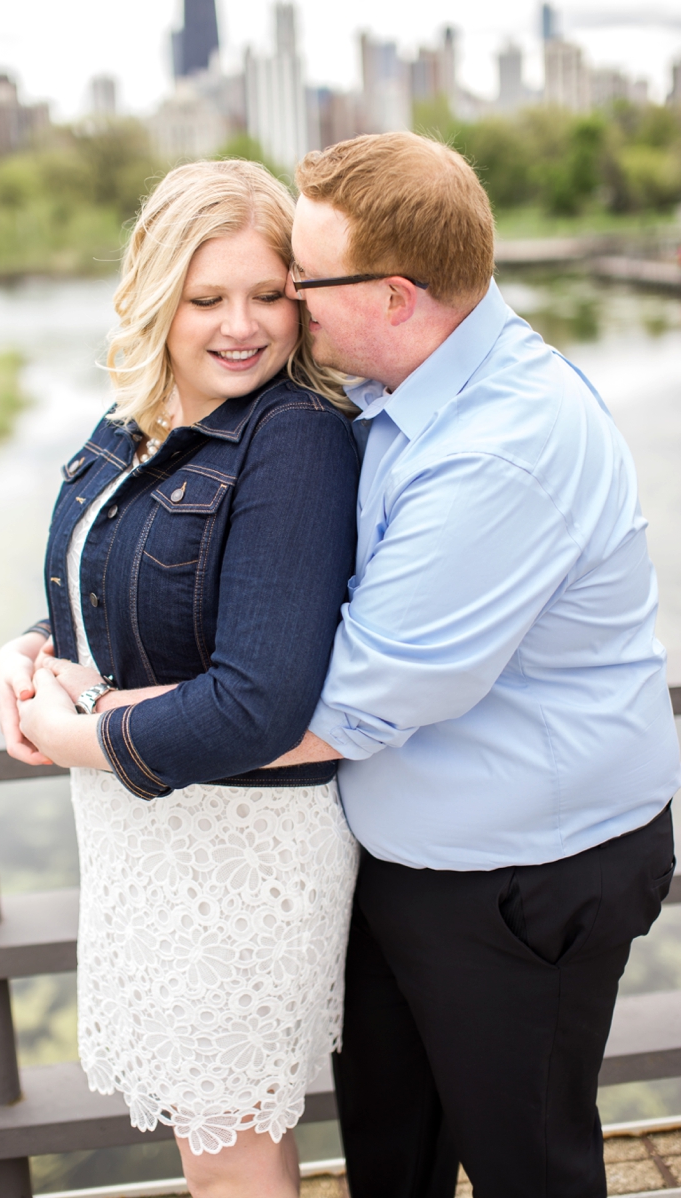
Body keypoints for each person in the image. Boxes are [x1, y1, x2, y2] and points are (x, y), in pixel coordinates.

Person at [254, 133, 677, 1197]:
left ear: (395, 295)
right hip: (409, 856)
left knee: (526, 1165)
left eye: (304, 279)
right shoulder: (411, 383)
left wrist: (118, 738)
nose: (289, 299)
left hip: (522, 874)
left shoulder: (503, 447)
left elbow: (349, 709)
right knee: (389, 1159)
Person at [0, 158, 362, 1198]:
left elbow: (260, 697)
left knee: (230, 1154)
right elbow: (106, 588)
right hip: (142, 834)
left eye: (267, 295)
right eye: (207, 299)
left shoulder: (292, 438)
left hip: (235, 846)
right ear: (158, 297)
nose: (241, 325)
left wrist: (76, 735)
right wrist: (20, 649)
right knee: (211, 1141)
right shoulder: (129, 424)